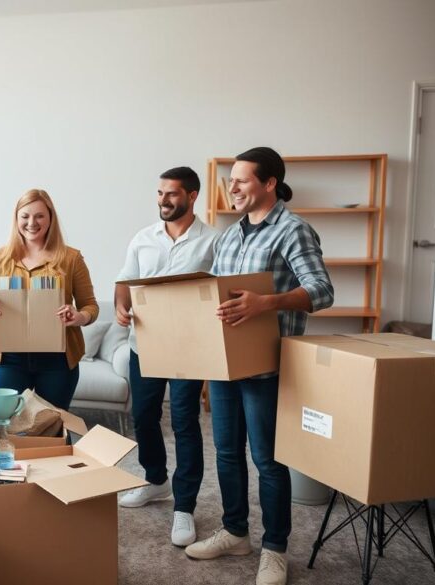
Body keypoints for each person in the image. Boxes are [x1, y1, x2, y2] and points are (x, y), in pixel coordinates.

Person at [183, 147, 334, 585]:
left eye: (242, 180)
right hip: (224, 363)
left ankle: (275, 547)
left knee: (267, 460)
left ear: (269, 183)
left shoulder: (293, 230)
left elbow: (322, 291)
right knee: (227, 452)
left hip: (265, 368)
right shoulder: (230, 235)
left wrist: (267, 302)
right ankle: (234, 531)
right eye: (230, 181)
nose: (232, 188)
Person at [113, 167, 219, 546]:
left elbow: (221, 289)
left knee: (186, 423)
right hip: (145, 345)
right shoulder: (143, 239)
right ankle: (156, 481)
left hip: (191, 348)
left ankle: (185, 506)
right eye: (159, 193)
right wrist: (120, 308)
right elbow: (124, 282)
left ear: (192, 196)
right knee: (142, 416)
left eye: (171, 194)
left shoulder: (213, 241)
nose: (163, 200)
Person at [0, 189, 98, 410]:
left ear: (50, 218)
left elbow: (90, 306)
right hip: (11, 357)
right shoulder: (2, 257)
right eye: (25, 216)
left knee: (52, 427)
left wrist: (79, 316)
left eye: (39, 216)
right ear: (16, 219)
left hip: (58, 360)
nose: (31, 222)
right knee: (4, 421)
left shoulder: (71, 258)